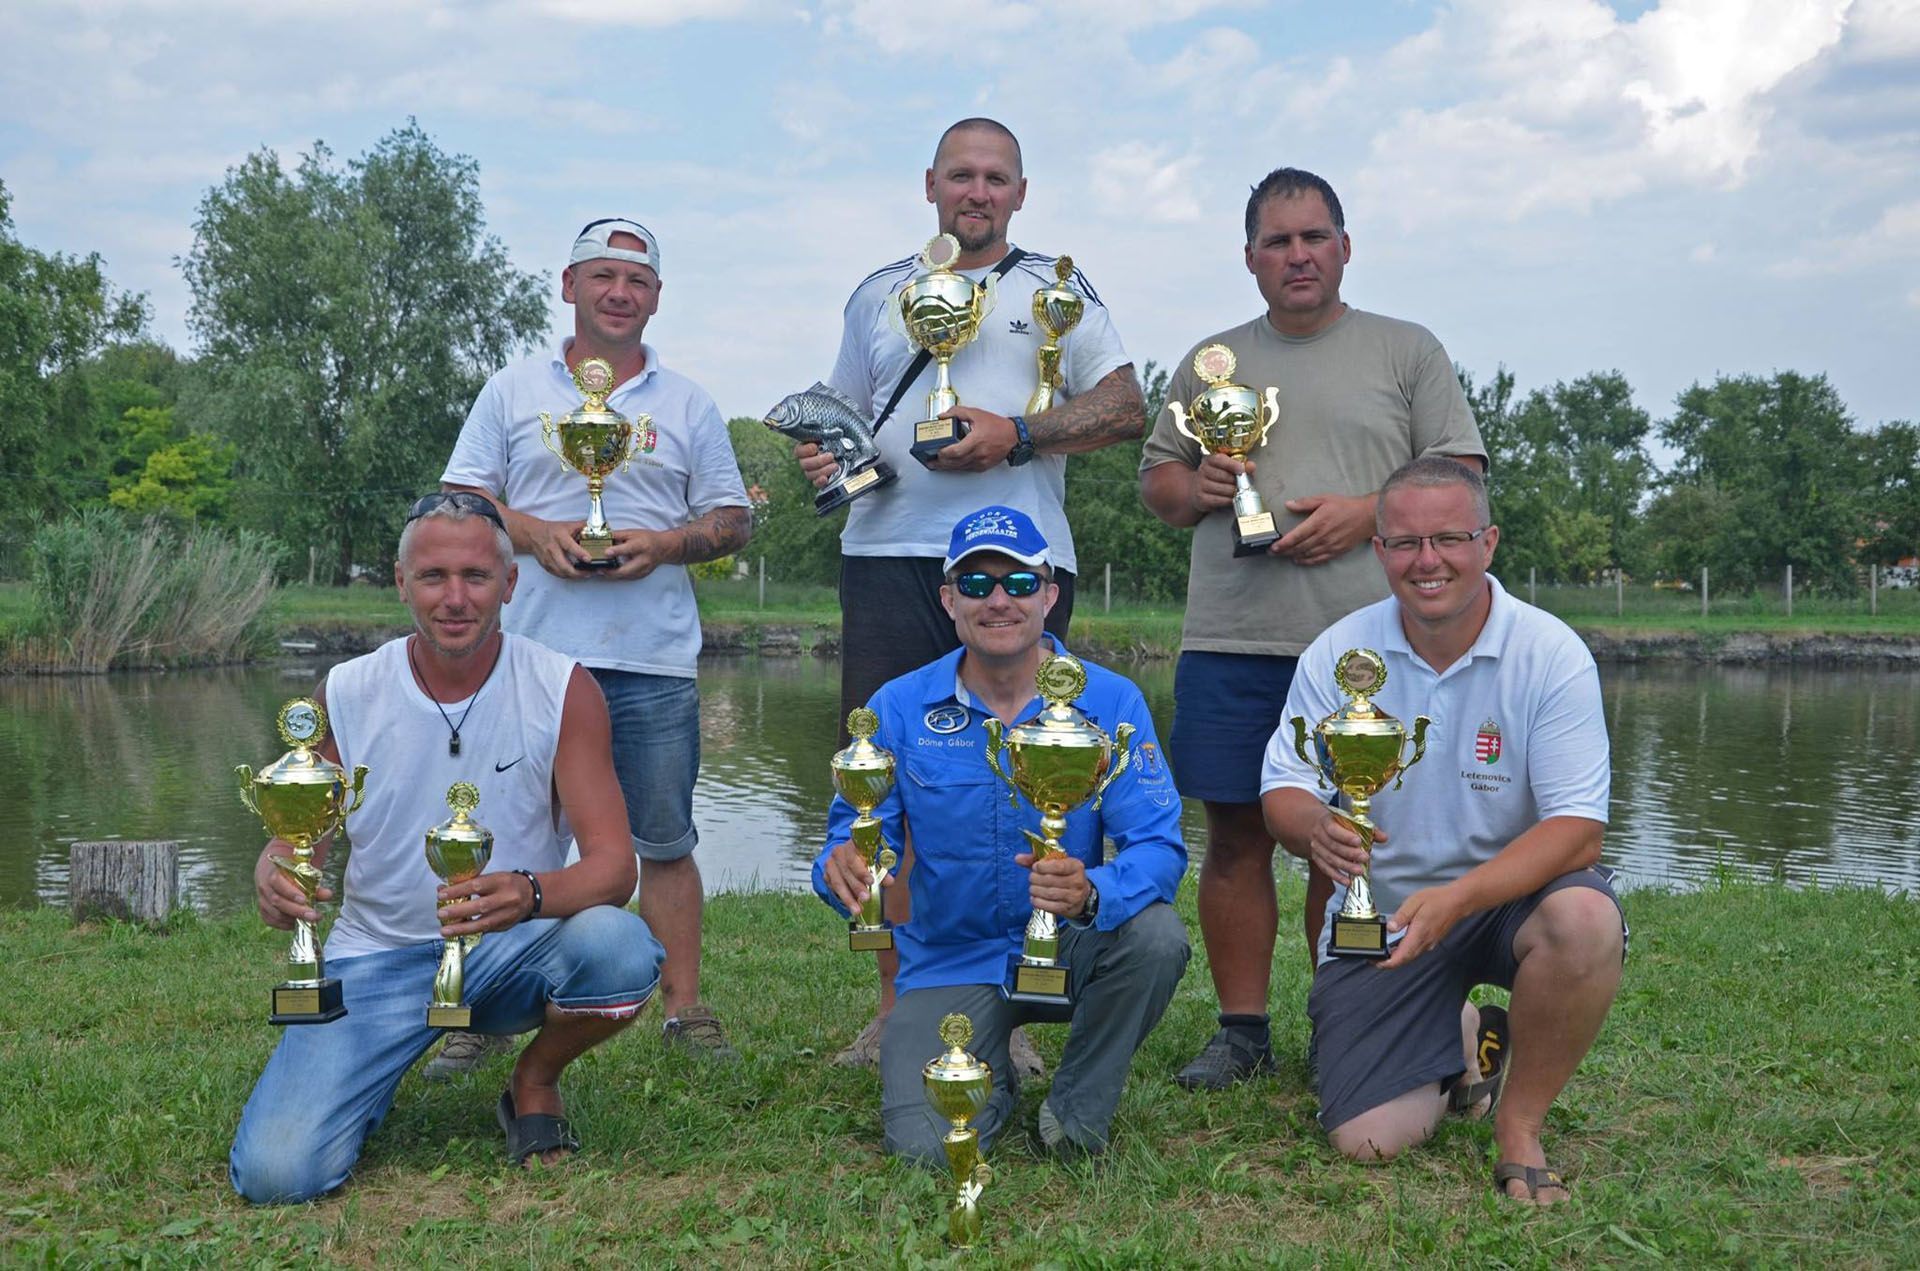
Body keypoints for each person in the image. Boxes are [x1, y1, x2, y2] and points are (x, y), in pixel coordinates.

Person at [800, 117, 1148, 1071]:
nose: (978, 192)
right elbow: (844, 420)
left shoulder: (1056, 289)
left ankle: (1013, 1004)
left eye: (996, 178)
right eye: (962, 175)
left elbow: (1128, 407)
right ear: (930, 184)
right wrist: (822, 456)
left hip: (1016, 573)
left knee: (1019, 787)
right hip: (885, 554)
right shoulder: (878, 294)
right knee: (880, 788)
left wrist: (1021, 436)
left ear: (1021, 194)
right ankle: (892, 1005)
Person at [1138, 167, 1487, 1090]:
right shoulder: (1210, 362)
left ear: (1344, 245)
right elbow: (1158, 486)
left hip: (1367, 653)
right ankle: (1242, 1032)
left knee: (1352, 838)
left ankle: (1345, 1015)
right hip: (1234, 637)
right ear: (1250, 257)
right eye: (1277, 240)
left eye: (1313, 236)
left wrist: (1368, 511)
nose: (1297, 254)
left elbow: (1461, 472)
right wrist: (1201, 486)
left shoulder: (1407, 351)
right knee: (1238, 838)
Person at [230, 493, 665, 1204]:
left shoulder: (564, 688)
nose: (455, 597)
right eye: (433, 577)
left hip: (513, 949)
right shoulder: (346, 690)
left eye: (476, 576)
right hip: (375, 959)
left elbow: (616, 868)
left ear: (511, 584)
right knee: (280, 1174)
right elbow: (299, 835)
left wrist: (526, 893)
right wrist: (273, 867)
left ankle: (535, 1079)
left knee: (619, 946)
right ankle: (363, 1075)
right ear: (401, 584)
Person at [1260, 458, 1625, 1203]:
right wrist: (1315, 829)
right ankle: (1467, 1038)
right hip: (1385, 921)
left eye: (1449, 538)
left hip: (1510, 899)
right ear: (1379, 550)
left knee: (1585, 917)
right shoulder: (1338, 652)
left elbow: (1579, 829)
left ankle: (1518, 1126)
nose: (1427, 561)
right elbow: (1283, 790)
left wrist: (1458, 899)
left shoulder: (1550, 652)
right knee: (1368, 1140)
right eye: (1404, 542)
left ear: (1488, 543)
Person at [441, 217, 752, 1065]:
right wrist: (535, 532)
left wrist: (665, 543)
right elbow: (461, 498)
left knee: (665, 840)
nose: (620, 292)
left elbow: (732, 518)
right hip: (531, 659)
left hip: (650, 657)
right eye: (603, 275)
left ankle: (686, 1010)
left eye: (638, 280)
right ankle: (472, 1006)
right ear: (568, 285)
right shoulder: (511, 390)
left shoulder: (688, 402)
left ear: (656, 299)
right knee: (502, 838)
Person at [812, 506, 1189, 1161]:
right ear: (948, 598)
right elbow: (849, 839)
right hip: (946, 962)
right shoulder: (896, 706)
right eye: (977, 582)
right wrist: (842, 869)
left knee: (1156, 937)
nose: (998, 600)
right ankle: (995, 1076)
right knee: (928, 1149)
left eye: (1018, 582)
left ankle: (1075, 1111)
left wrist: (1091, 891)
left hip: (1068, 946)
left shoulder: (1114, 701)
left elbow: (1159, 845)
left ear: (1049, 594)